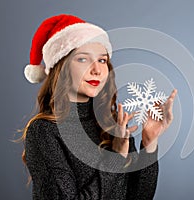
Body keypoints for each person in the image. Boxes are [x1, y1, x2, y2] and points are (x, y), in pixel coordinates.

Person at [21, 14, 177, 200]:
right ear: (61, 67)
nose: (97, 69)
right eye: (83, 59)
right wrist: (116, 159)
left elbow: (139, 196)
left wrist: (149, 143)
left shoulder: (114, 126)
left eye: (102, 60)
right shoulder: (43, 132)